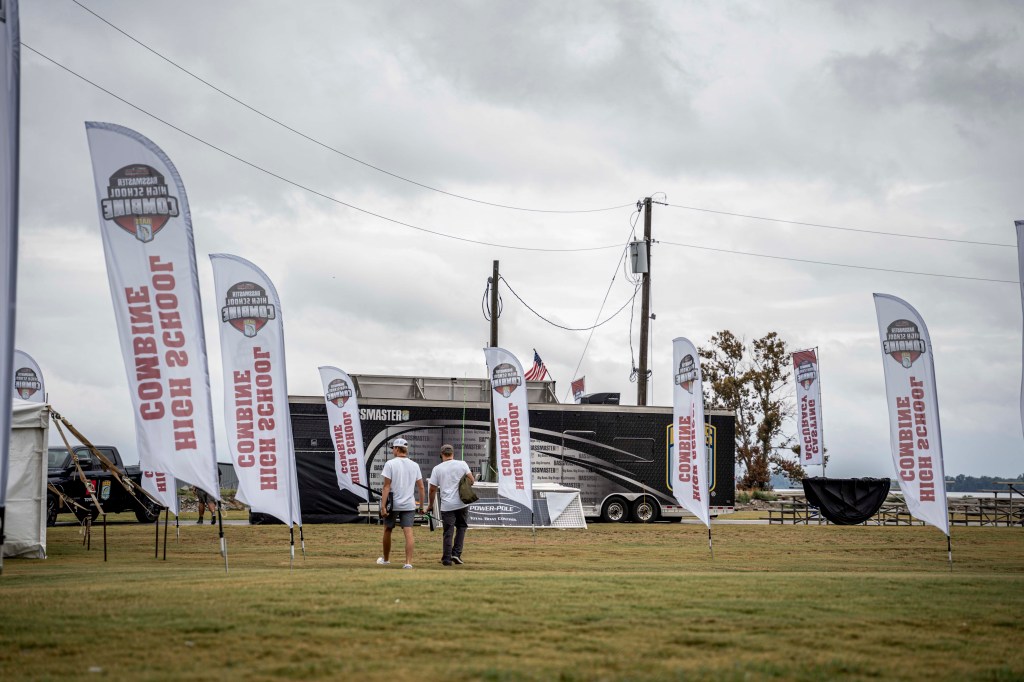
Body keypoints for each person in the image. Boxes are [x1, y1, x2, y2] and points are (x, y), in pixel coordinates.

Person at [376, 438, 424, 569]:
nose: (393, 451)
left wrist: (383, 506)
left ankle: (386, 560)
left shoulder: (390, 464)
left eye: (393, 449)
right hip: (409, 504)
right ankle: (408, 563)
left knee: (387, 529)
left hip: (393, 504)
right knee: (408, 532)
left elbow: (386, 487)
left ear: (397, 449)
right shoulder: (414, 465)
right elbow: (421, 487)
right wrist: (421, 506)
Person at [426, 444, 475, 566]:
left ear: (441, 454)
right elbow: (471, 480)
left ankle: (446, 559)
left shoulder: (437, 469)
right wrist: (463, 486)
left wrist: (430, 505)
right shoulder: (462, 464)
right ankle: (456, 554)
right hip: (462, 503)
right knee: (461, 527)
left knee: (448, 531)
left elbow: (432, 489)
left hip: (447, 506)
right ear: (453, 453)